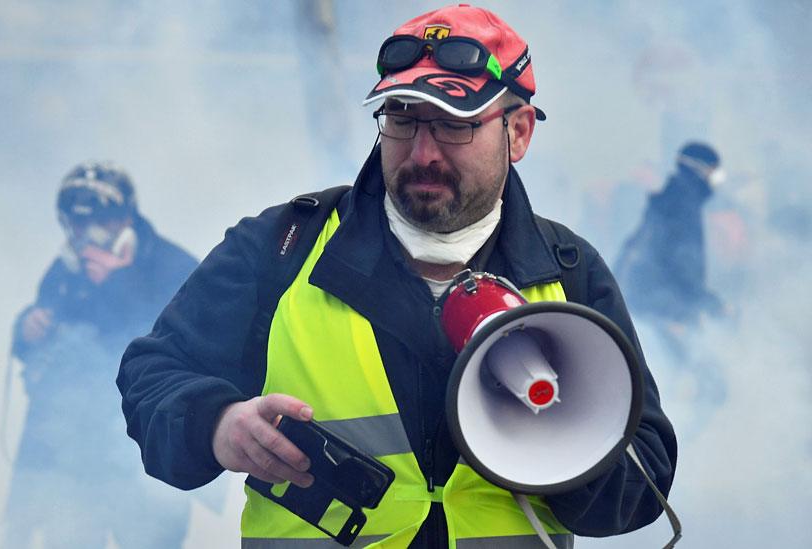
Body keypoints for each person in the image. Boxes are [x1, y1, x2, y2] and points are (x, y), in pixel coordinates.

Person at [118, 5, 677, 548]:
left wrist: (564, 441)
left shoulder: (569, 272)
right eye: (403, 119)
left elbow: (643, 478)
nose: (423, 152)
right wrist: (218, 424)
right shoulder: (283, 249)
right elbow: (153, 375)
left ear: (519, 132)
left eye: (453, 125)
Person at [5, 162, 202, 548]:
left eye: (101, 220)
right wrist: (26, 330)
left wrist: (119, 283)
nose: (86, 234)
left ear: (126, 217)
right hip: (71, 460)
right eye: (76, 224)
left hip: (146, 457)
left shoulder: (172, 265)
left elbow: (190, 343)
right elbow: (44, 352)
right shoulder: (66, 271)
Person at [615, 141, 726, 335]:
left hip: (650, 309)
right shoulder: (682, 207)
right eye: (714, 171)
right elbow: (681, 268)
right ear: (701, 170)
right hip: (662, 313)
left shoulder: (669, 200)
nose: (717, 178)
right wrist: (714, 306)